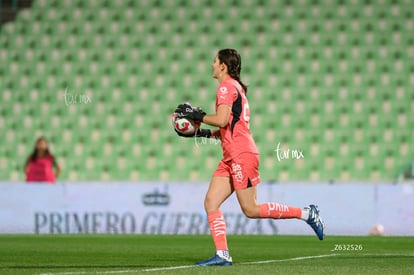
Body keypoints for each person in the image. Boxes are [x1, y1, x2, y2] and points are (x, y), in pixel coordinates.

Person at [174, 49, 325, 266]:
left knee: (251, 209)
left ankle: (307, 214)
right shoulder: (236, 89)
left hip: (241, 155)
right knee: (211, 202)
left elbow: (223, 120)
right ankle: (222, 255)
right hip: (232, 155)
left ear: (223, 66)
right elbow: (230, 128)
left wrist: (198, 116)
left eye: (215, 61)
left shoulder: (226, 87)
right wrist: (201, 132)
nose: (212, 65)